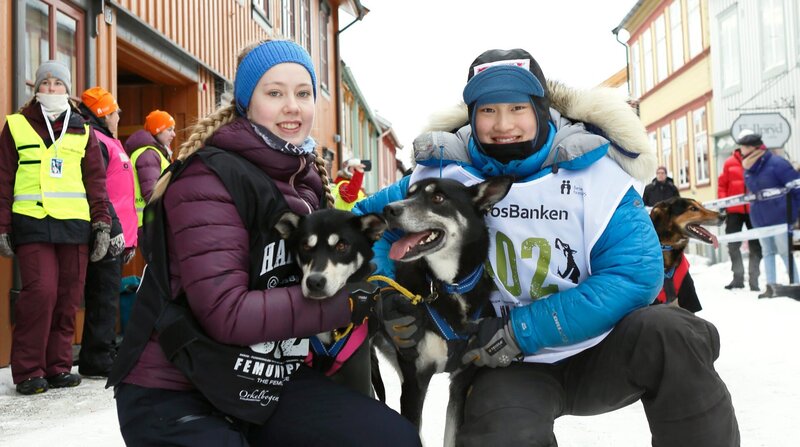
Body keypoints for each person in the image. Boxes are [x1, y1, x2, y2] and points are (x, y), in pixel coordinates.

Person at [356, 48, 739, 446]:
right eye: (487, 110)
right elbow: (366, 226)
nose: (503, 125)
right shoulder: (445, 173)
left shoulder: (594, 171)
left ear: (541, 108)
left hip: (600, 348)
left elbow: (635, 275)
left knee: (672, 332)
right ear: (470, 115)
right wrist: (388, 291)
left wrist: (522, 329)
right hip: (505, 363)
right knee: (502, 435)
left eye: (517, 108)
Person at [106, 40, 419, 446]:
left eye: (302, 93)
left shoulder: (304, 183)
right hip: (176, 389)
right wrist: (343, 304)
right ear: (246, 103)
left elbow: (349, 249)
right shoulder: (208, 180)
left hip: (262, 381)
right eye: (274, 93)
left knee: (392, 438)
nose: (292, 106)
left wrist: (383, 288)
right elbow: (226, 313)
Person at [0, 60, 112, 395]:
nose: (51, 88)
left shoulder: (83, 130)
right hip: (33, 221)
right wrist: (3, 225)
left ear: (68, 90)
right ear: (36, 90)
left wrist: (102, 224)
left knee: (67, 297)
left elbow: (96, 182)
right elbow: (3, 179)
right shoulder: (17, 125)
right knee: (41, 293)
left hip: (74, 225)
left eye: (58, 83)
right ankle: (28, 370)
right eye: (45, 83)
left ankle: (58, 366)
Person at [78, 86, 137, 377]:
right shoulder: (97, 142)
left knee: (108, 295)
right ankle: (97, 358)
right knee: (103, 296)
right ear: (103, 114)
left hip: (118, 234)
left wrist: (129, 238)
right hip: (105, 233)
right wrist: (112, 230)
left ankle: (103, 351)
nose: (118, 118)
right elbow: (99, 189)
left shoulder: (109, 141)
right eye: (115, 112)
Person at [739, 131, 800, 298]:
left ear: (752, 148)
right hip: (761, 218)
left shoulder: (777, 163)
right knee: (767, 252)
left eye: (742, 147)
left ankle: (796, 285)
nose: (740, 151)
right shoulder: (749, 168)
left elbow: (796, 187)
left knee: (784, 252)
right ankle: (771, 287)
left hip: (781, 217)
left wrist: (794, 213)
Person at [718, 133, 762, 291]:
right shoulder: (729, 162)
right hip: (734, 210)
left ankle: (754, 279)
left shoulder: (758, 161)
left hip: (753, 208)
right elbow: (722, 184)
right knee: (733, 244)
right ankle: (737, 278)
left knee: (755, 244)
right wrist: (723, 203)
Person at [123, 109, 175, 241]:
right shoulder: (149, 154)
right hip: (148, 223)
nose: (173, 134)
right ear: (158, 130)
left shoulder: (153, 152)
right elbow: (152, 193)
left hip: (147, 222)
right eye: (169, 129)